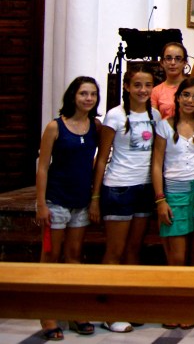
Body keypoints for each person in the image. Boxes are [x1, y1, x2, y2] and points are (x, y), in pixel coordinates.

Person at [91, 63, 161, 334]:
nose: (143, 90)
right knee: (115, 251)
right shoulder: (115, 116)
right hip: (119, 187)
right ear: (127, 87)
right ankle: (108, 310)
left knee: (134, 250)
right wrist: (95, 196)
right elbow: (102, 158)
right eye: (137, 85)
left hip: (144, 188)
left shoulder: (155, 115)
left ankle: (129, 304)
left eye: (147, 85)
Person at [35, 77, 102, 340]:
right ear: (73, 95)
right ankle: (47, 313)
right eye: (83, 93)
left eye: (93, 94)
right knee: (50, 257)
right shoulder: (55, 126)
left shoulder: (95, 126)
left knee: (74, 257)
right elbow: (42, 167)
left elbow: (98, 160)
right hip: (56, 200)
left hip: (81, 201)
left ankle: (74, 310)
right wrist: (41, 203)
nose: (88, 98)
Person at [152, 77, 194, 329]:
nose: (190, 101)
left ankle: (190, 306)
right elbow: (156, 164)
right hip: (174, 194)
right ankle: (173, 306)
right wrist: (160, 199)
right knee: (176, 257)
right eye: (186, 95)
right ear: (178, 97)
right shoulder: (165, 126)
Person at [152, 42, 189, 119]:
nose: (173, 63)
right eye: (168, 58)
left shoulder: (193, 87)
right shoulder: (155, 91)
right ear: (162, 62)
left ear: (185, 62)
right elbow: (154, 119)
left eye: (178, 59)